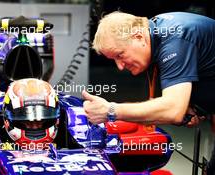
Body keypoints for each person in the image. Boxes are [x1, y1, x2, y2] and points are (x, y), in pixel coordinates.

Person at [82, 11, 215, 174]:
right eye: (114, 60)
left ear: (138, 37)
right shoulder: (155, 34)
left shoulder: (175, 39)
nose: (120, 66)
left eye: (120, 55)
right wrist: (191, 105)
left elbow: (173, 110)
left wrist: (111, 111)